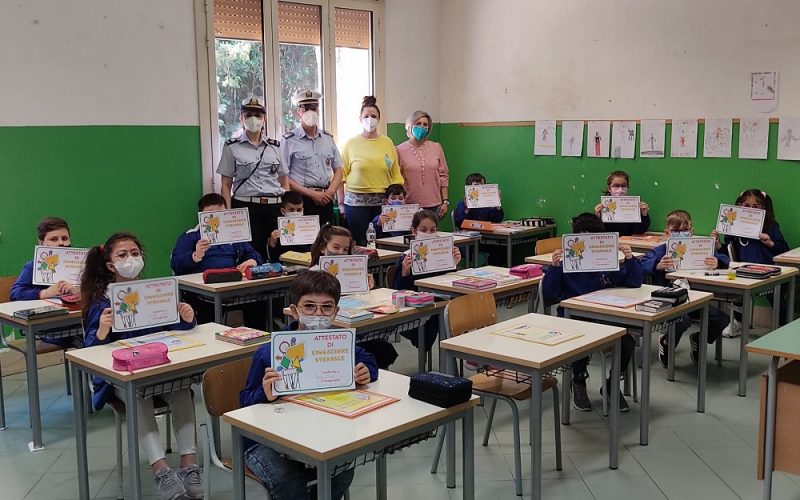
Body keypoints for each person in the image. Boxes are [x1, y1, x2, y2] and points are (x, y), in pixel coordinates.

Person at [81, 233, 202, 500]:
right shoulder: (103, 301)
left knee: (182, 390)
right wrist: (102, 329)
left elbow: (171, 326)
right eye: (122, 255)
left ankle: (189, 465)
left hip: (158, 368)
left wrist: (187, 319)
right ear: (110, 265)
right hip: (122, 377)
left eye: (135, 253)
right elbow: (90, 350)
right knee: (140, 397)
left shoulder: (153, 292)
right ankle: (161, 470)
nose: (130, 259)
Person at [240, 271, 378, 500]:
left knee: (342, 469)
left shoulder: (338, 344)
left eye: (326, 307)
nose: (318, 313)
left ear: (336, 311)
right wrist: (265, 394)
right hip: (267, 441)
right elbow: (243, 401)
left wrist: (366, 371)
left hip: (318, 431)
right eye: (309, 306)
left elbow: (368, 359)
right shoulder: (272, 351)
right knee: (289, 483)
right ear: (295, 311)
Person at [542, 213, 643, 412]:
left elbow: (634, 281)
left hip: (605, 316)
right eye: (583, 238)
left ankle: (612, 384)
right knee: (581, 338)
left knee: (627, 340)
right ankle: (578, 381)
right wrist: (554, 267)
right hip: (573, 318)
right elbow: (550, 294)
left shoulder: (606, 262)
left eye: (594, 238)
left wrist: (629, 258)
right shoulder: (567, 263)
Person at [641, 210, 730, 367]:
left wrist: (717, 261)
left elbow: (724, 259)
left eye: (685, 230)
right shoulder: (660, 251)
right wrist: (658, 265)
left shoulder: (699, 247)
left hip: (693, 300)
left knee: (721, 319)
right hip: (669, 301)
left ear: (691, 231)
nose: (681, 234)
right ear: (667, 232)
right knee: (682, 320)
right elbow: (641, 265)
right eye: (675, 231)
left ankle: (699, 340)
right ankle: (667, 342)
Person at [170, 193, 265, 329]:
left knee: (259, 302)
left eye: (219, 214)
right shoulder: (190, 236)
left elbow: (254, 254)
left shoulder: (234, 235)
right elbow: (175, 264)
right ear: (201, 216)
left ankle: (258, 340)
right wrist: (195, 255)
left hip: (233, 287)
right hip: (202, 292)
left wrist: (252, 260)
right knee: (207, 313)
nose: (215, 219)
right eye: (210, 215)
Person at [217, 96, 289, 261]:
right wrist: (228, 214)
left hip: (274, 207)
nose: (253, 119)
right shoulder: (231, 147)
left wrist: (286, 209)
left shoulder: (275, 146)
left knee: (279, 252)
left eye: (258, 115)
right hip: (246, 207)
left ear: (264, 118)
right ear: (242, 118)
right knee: (252, 254)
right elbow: (226, 185)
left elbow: (284, 181)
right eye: (248, 114)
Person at [714, 189, 790, 336]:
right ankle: (738, 321)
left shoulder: (771, 226)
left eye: (756, 206)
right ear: (740, 206)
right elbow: (728, 252)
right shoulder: (733, 227)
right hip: (741, 269)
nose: (750, 209)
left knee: (775, 292)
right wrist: (718, 246)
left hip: (767, 271)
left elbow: (784, 249)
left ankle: (784, 326)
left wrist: (770, 243)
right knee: (735, 288)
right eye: (746, 205)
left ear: (763, 208)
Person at [337, 96, 404, 246]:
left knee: (384, 242)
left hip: (383, 201)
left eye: (373, 116)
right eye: (366, 116)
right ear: (360, 118)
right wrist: (341, 204)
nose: (370, 119)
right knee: (361, 242)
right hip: (356, 203)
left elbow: (395, 172)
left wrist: (397, 200)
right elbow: (340, 176)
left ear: (379, 119)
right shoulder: (350, 144)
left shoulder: (387, 142)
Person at [392, 210, 461, 351]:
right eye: (423, 230)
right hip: (420, 304)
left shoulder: (442, 251)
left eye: (432, 230)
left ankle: (460, 349)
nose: (428, 233)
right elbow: (397, 289)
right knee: (434, 318)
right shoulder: (407, 257)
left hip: (442, 299)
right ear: (414, 231)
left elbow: (447, 281)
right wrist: (404, 272)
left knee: (460, 309)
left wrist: (454, 263)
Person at [281, 89, 343, 227]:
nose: (310, 112)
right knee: (303, 243)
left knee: (324, 241)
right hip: (300, 201)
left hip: (326, 198)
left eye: (313, 108)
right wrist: (311, 194)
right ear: (298, 113)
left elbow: (339, 170)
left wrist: (330, 192)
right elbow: (283, 177)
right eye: (306, 108)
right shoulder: (289, 140)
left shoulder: (328, 138)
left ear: (319, 111)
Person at [11, 217, 80, 301]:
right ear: (41, 243)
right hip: (48, 312)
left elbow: (98, 291)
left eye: (65, 238)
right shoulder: (34, 266)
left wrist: (79, 291)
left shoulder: (82, 265)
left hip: (76, 311)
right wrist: (45, 293)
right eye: (54, 239)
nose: (61, 243)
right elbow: (15, 294)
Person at [396, 110, 450, 219]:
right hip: (409, 205)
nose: (422, 127)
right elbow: (396, 178)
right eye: (418, 123)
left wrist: (445, 201)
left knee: (431, 234)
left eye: (425, 124)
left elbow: (444, 176)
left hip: (434, 205)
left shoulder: (436, 147)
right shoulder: (399, 150)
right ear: (409, 125)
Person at [453, 173, 504, 265]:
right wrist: (467, 208)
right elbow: (459, 223)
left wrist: (497, 205)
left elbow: (497, 219)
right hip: (470, 239)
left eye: (482, 185)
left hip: (486, 237)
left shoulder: (487, 203)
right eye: (476, 185)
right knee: (472, 248)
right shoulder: (462, 203)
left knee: (500, 249)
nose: (480, 188)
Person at [593, 170, 650, 236]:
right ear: (609, 188)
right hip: (608, 243)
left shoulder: (633, 207)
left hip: (628, 243)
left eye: (623, 186)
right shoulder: (602, 208)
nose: (620, 189)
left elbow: (640, 230)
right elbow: (596, 231)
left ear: (627, 187)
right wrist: (596, 217)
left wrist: (644, 215)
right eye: (616, 186)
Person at [267, 190, 310, 262]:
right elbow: (273, 258)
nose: (295, 213)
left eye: (299, 210)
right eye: (291, 210)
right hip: (284, 265)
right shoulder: (276, 229)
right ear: (283, 211)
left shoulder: (309, 227)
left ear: (302, 210)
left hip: (305, 264)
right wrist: (272, 243)